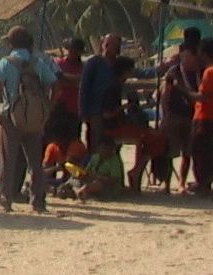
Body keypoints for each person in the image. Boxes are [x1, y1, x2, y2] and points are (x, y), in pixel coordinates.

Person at [0, 26, 57, 213]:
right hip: (35, 119)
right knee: (35, 163)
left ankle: (5, 199)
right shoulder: (38, 62)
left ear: (11, 43)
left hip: (11, 116)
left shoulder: (6, 62)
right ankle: (38, 202)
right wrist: (47, 109)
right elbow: (54, 84)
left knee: (8, 161)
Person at [100, 56, 168, 193]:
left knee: (150, 138)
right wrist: (125, 107)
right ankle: (136, 171)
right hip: (114, 128)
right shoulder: (113, 87)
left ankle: (137, 170)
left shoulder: (117, 85)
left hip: (120, 125)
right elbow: (107, 114)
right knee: (155, 138)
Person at [178, 38, 213, 196]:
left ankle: (203, 182)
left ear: (203, 53)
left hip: (205, 115)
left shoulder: (210, 72)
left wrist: (184, 91)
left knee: (198, 150)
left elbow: (204, 96)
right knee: (210, 149)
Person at [161, 43, 200, 193]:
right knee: (169, 151)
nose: (185, 59)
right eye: (182, 56)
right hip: (174, 115)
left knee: (187, 152)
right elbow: (166, 94)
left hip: (191, 116)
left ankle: (182, 182)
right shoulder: (174, 71)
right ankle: (166, 183)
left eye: (188, 56)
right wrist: (165, 115)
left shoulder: (199, 72)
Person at [80, 34, 122, 152]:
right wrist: (83, 112)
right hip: (95, 112)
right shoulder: (94, 63)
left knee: (113, 144)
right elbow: (84, 88)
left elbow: (135, 72)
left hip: (113, 111)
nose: (109, 47)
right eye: (107, 44)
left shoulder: (118, 64)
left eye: (113, 45)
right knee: (96, 145)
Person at [47, 38, 85, 142]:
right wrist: (71, 81)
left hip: (74, 109)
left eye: (76, 50)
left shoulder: (83, 67)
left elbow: (81, 81)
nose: (72, 52)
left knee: (72, 140)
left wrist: (63, 76)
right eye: (70, 49)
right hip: (57, 107)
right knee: (54, 140)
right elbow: (54, 81)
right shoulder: (58, 63)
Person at [71, 136, 124, 201]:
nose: (106, 151)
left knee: (98, 184)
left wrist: (99, 177)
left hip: (108, 188)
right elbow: (86, 172)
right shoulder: (94, 157)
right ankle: (77, 191)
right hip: (90, 181)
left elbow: (114, 180)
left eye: (108, 149)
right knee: (75, 178)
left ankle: (81, 191)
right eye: (103, 148)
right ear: (99, 148)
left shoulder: (115, 161)